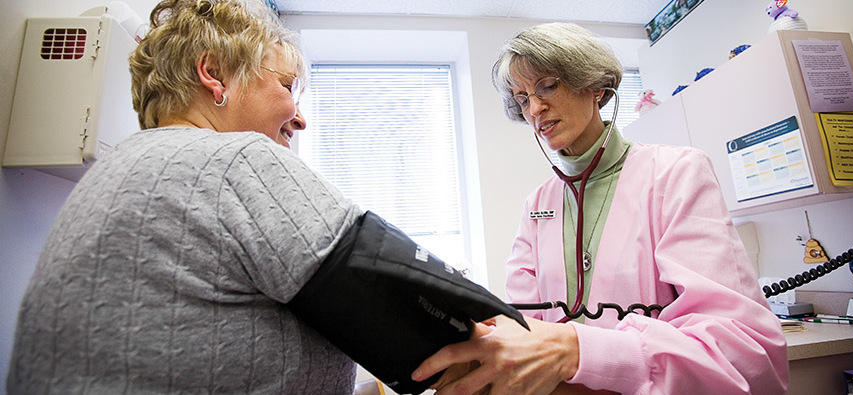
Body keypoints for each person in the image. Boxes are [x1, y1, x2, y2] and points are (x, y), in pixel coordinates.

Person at [7, 0, 366, 393]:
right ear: (214, 74)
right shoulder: (235, 159)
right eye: (286, 86)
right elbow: (399, 292)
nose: (299, 118)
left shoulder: (114, 174)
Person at [412, 22, 788, 394]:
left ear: (594, 86)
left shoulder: (676, 173)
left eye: (547, 86)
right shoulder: (538, 205)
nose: (536, 108)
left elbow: (746, 355)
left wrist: (577, 350)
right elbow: (524, 325)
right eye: (523, 98)